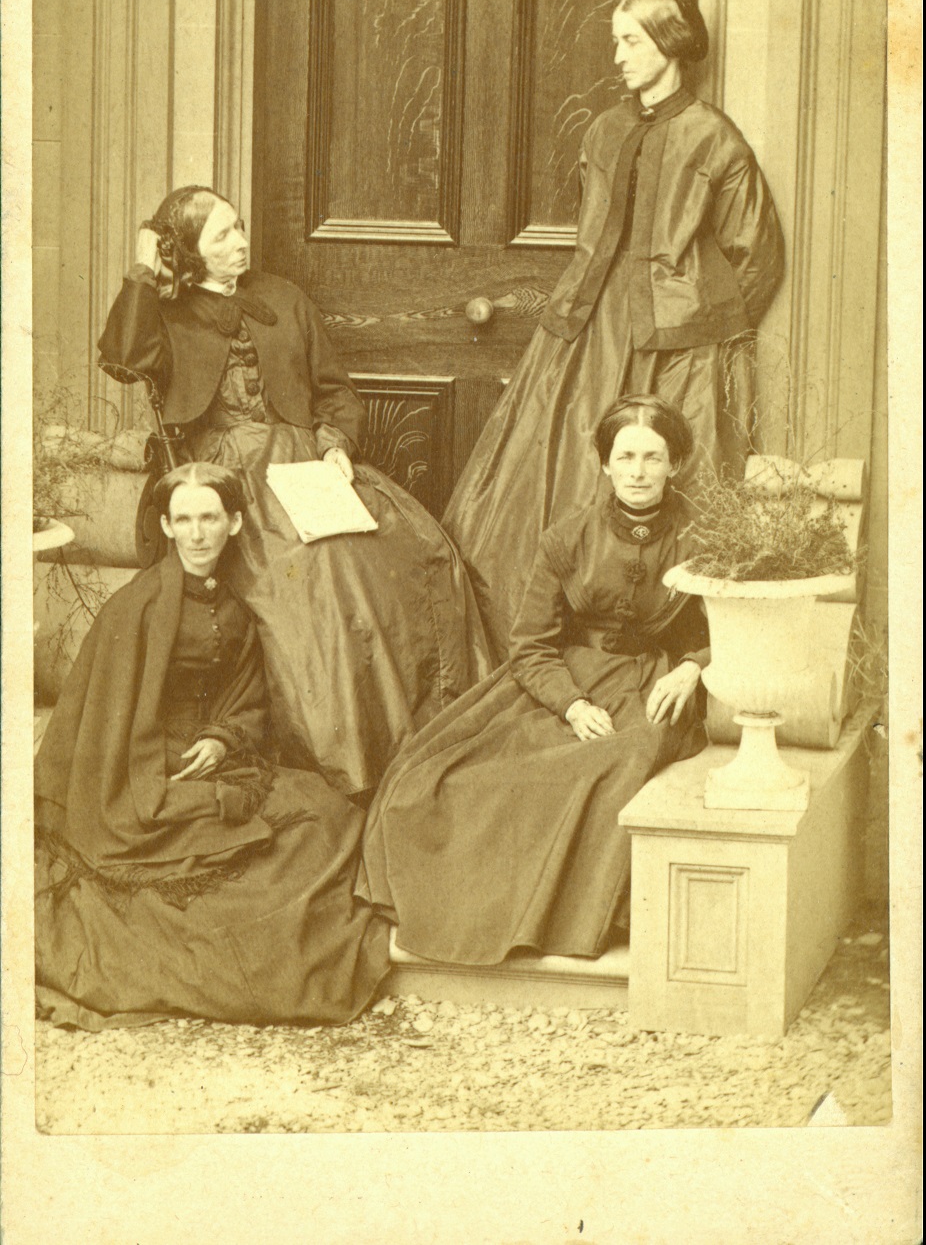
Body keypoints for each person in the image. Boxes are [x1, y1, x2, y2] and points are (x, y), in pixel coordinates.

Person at [98, 188, 489, 797]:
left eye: (240, 227)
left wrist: (335, 444)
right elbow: (123, 358)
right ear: (190, 252)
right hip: (228, 475)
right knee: (313, 579)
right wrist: (145, 268)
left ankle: (419, 736)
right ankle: (347, 762)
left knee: (411, 550)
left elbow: (334, 389)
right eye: (222, 235)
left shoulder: (284, 298)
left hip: (307, 462)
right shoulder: (164, 314)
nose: (241, 242)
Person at [443, 0, 785, 658]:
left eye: (631, 40)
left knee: (673, 485)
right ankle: (532, 648)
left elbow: (756, 257)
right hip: (588, 330)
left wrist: (699, 324)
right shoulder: (602, 130)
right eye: (617, 41)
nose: (619, 56)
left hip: (682, 347)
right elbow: (594, 234)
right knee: (549, 472)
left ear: (670, 43)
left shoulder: (715, 139)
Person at [34, 463, 391, 1031]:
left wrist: (221, 739)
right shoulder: (137, 607)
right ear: (166, 527)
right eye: (183, 520)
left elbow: (247, 697)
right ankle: (263, 956)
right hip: (145, 768)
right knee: (250, 855)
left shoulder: (233, 604)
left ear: (234, 523)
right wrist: (158, 778)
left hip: (215, 756)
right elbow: (110, 719)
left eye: (209, 518)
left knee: (330, 814)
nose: (197, 534)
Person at [358, 396, 710, 966]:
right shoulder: (566, 539)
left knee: (613, 764)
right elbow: (531, 646)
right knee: (448, 780)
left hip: (655, 685)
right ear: (605, 464)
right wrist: (572, 705)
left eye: (653, 457)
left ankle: (565, 921)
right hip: (565, 682)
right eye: (626, 457)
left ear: (674, 464)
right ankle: (475, 913)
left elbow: (732, 625)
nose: (639, 472)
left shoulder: (703, 539)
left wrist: (694, 665)